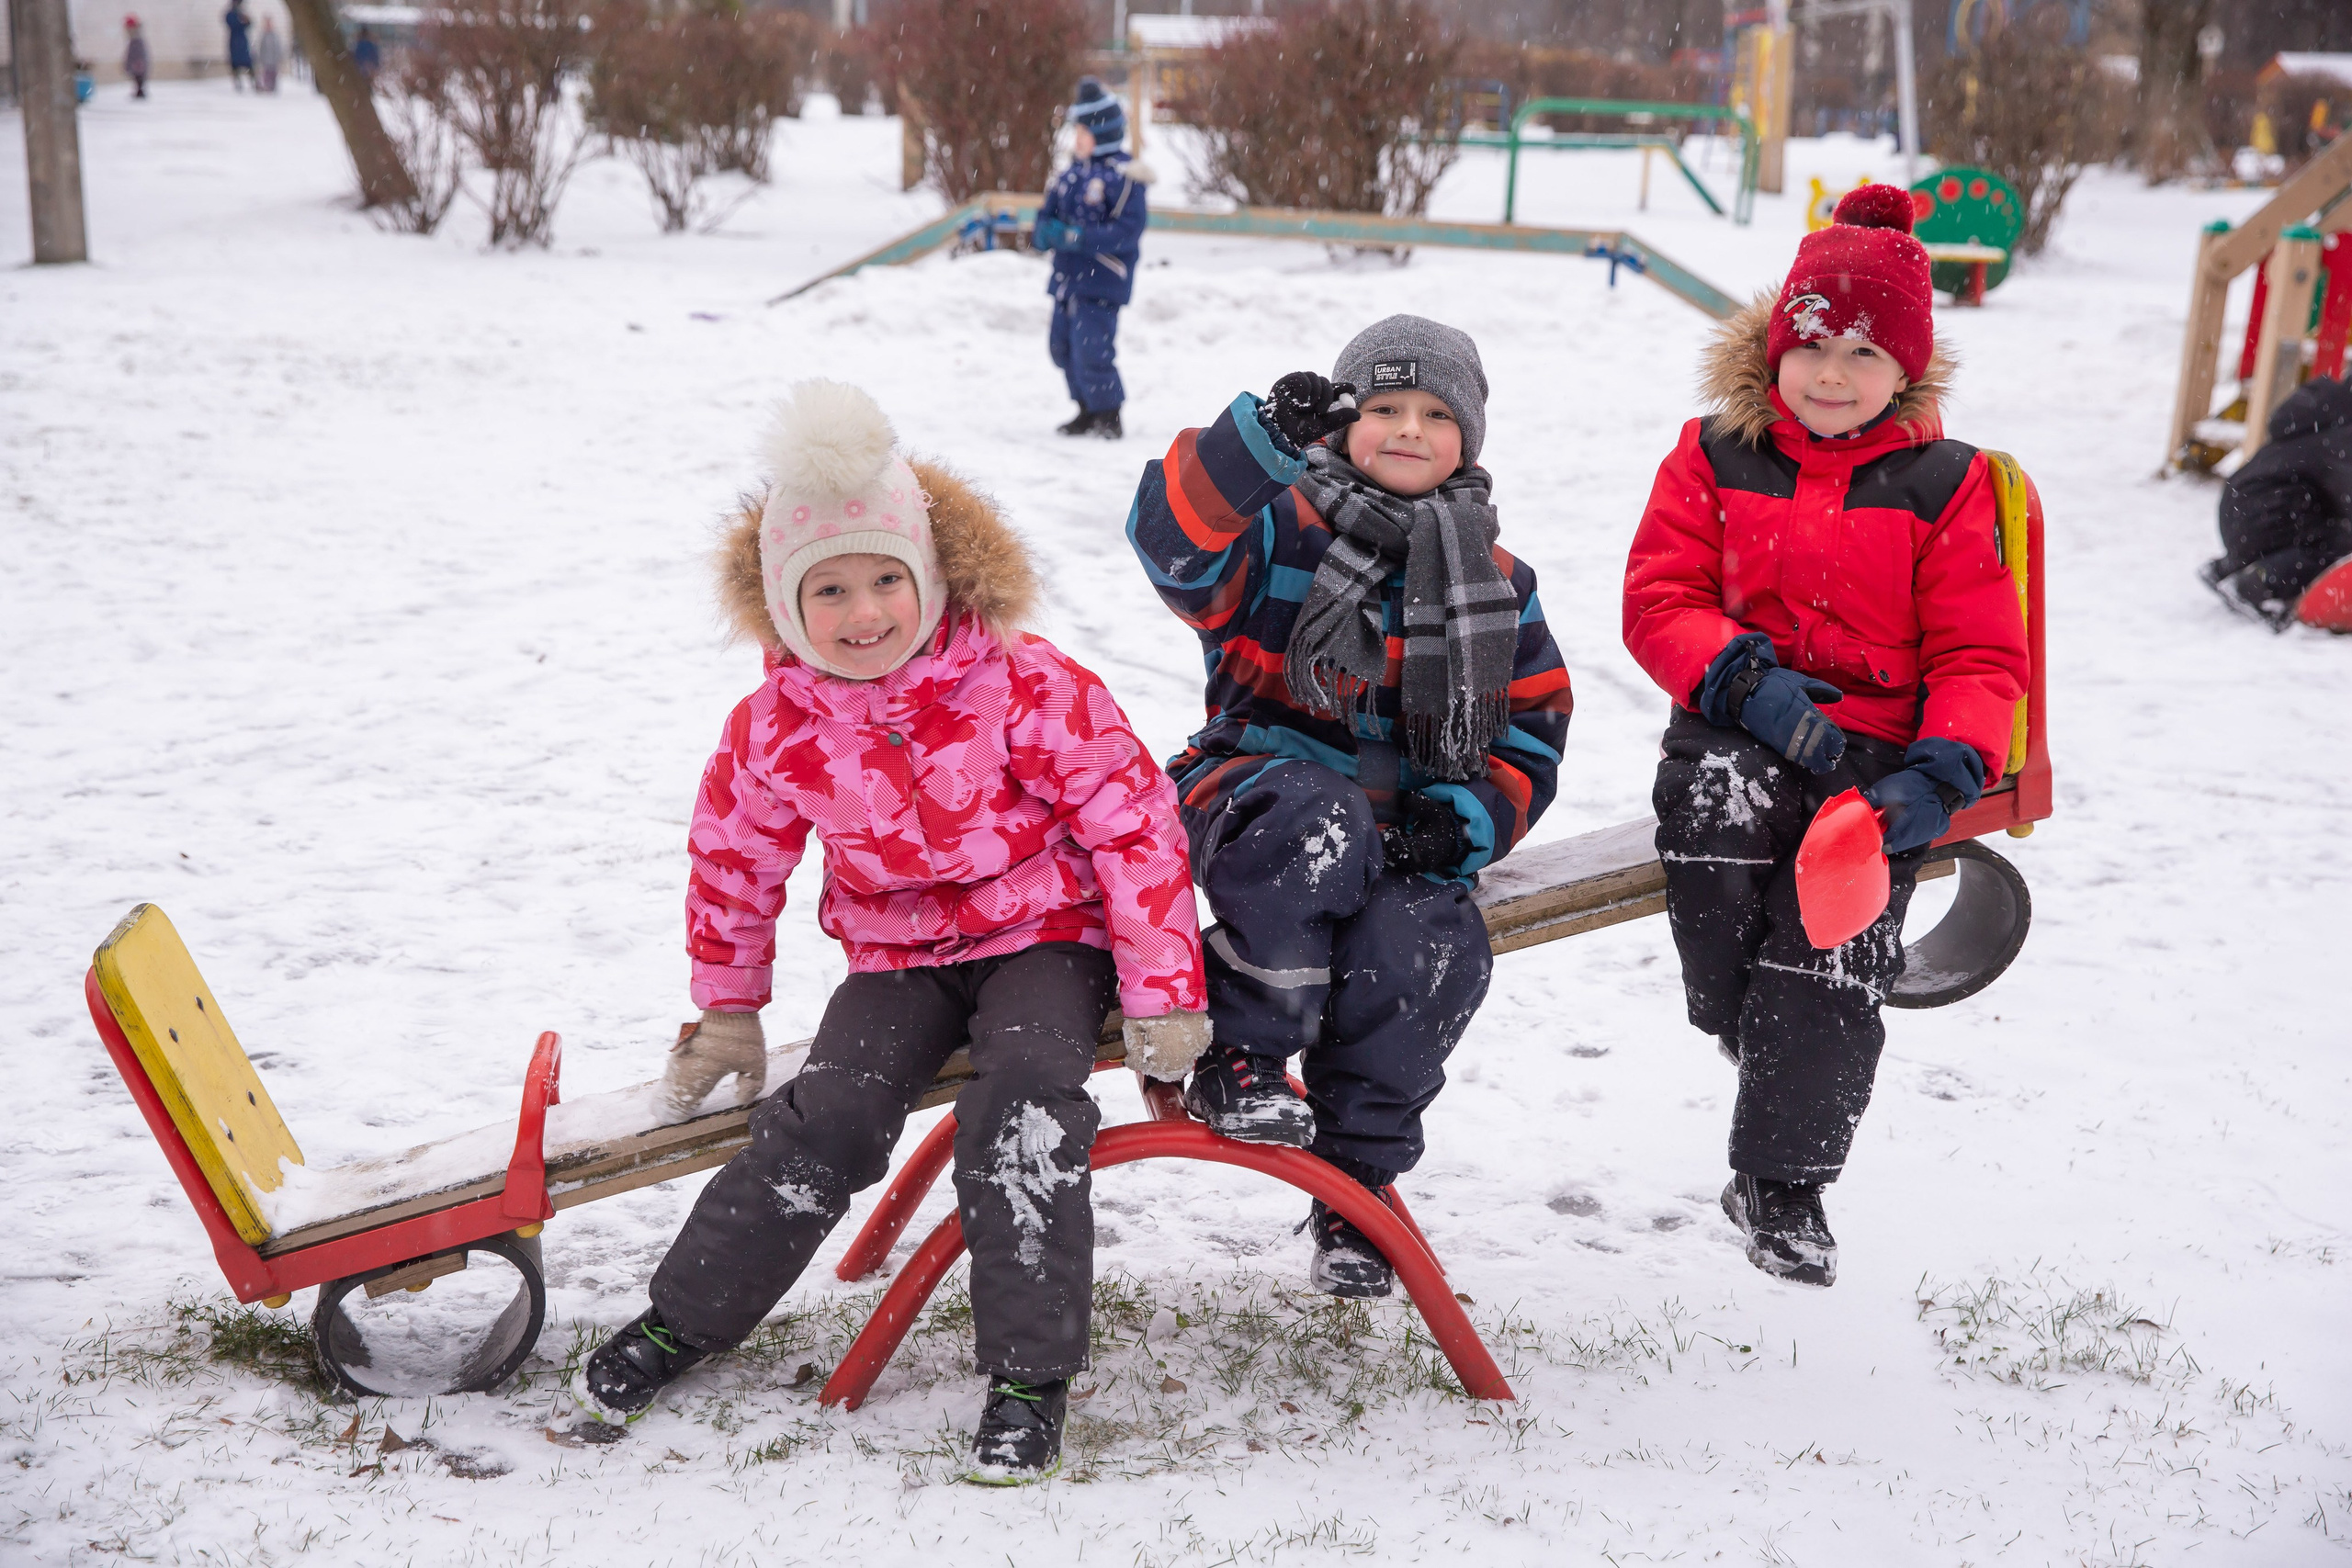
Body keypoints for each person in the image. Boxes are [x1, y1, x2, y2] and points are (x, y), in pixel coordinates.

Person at [573, 382, 1208, 1485]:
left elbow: (1134, 822)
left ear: (930, 577)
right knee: (829, 1111)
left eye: (885, 580)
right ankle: (686, 1317)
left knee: (1021, 1103)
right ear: (783, 604)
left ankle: (1027, 1374)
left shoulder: (1024, 682)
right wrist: (728, 1006)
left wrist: (1163, 990)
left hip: (1045, 939)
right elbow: (734, 859)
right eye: (829, 590)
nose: (863, 613)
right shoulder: (774, 725)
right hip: (898, 957)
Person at [1621, 185, 2030, 1288]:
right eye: (1811, 345)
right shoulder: (1713, 454)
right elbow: (1660, 598)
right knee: (1717, 833)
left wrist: (1945, 767)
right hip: (1737, 724)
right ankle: (1735, 1021)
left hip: (1876, 752)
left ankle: (1782, 1179)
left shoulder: (1946, 488)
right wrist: (1740, 680)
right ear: (1772, 348)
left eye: (1863, 352)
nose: (1833, 374)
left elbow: (1980, 654)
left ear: (1906, 370)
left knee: (1832, 943)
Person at [1127, 317, 1573, 1300]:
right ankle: (1241, 1055)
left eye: (1434, 414)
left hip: (1404, 828)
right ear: (1341, 422)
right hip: (1251, 792)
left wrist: (1469, 819)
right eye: (1382, 408)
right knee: (1313, 820)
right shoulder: (1281, 526)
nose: (1407, 429)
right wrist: (1254, 449)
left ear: (1469, 438)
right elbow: (1169, 545)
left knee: (1424, 943)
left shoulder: (1494, 581)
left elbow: (1532, 726)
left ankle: (1355, 1184)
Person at [1032, 77, 1148, 439]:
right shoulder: (1070, 174)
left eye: (1083, 131)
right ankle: (1084, 408)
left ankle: (1108, 413)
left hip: (1102, 280)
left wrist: (1081, 238)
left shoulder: (1124, 177)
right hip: (1068, 278)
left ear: (1104, 133)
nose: (1076, 138)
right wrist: (1044, 232)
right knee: (1061, 347)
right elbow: (1046, 214)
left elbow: (1128, 230)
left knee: (1092, 350)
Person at [2199, 374, 2352, 632]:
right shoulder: (2344, 433)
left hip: (2243, 511)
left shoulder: (2328, 411)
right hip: (2267, 516)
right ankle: (2260, 583)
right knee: (2339, 540)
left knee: (2323, 525)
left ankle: (2232, 567)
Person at [223, 0, 254, 90]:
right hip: (235, 42)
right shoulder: (231, 14)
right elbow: (231, 23)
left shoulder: (242, 14)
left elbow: (249, 23)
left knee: (248, 63)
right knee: (235, 65)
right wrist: (240, 21)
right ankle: (238, 84)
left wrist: (245, 20)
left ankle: (252, 83)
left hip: (242, 42)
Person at [123, 16, 150, 99]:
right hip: (137, 63)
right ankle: (139, 91)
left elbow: (137, 53)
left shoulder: (137, 40)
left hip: (138, 64)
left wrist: (135, 62)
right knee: (137, 78)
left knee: (139, 78)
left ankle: (140, 92)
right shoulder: (135, 39)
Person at [254, 17, 283, 92]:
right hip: (266, 60)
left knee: (273, 73)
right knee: (267, 74)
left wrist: (279, 57)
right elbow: (261, 48)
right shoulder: (263, 36)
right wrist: (260, 58)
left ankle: (273, 88)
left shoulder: (275, 36)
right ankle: (267, 87)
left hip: (274, 59)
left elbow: (278, 48)